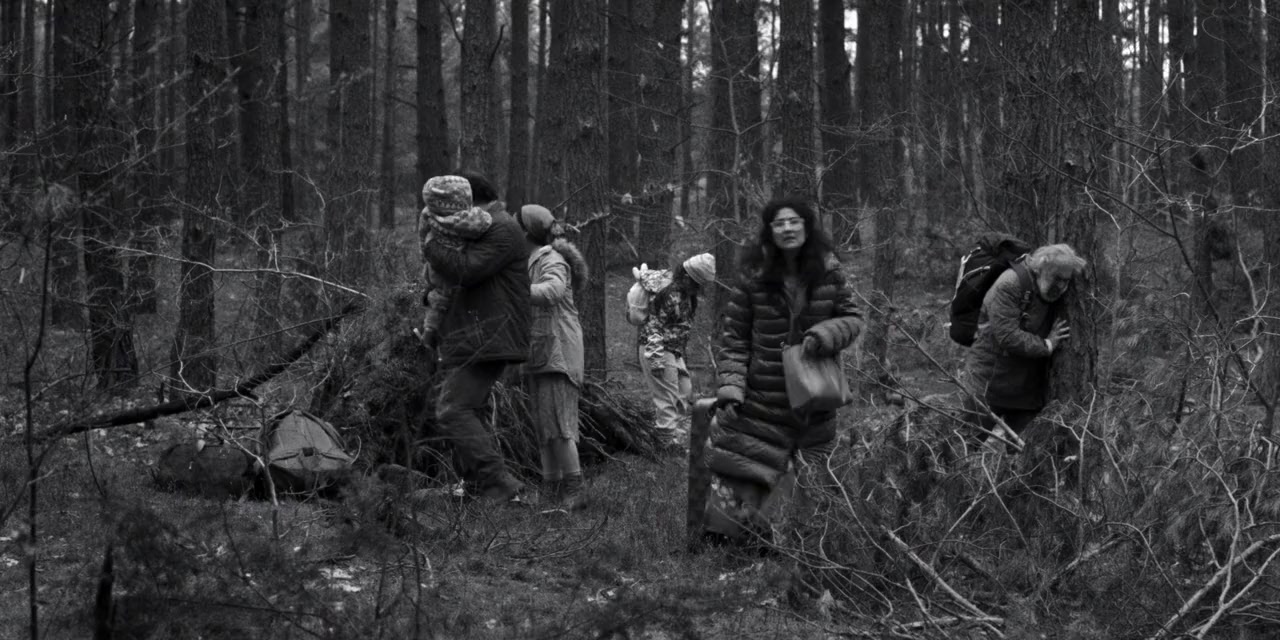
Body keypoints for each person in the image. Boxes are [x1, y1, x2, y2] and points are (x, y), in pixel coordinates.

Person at [704, 197, 862, 547]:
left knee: (811, 472)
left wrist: (826, 334)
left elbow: (852, 318)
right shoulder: (753, 276)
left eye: (794, 221)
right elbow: (735, 338)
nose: (787, 228)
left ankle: (798, 542)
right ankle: (740, 538)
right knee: (748, 461)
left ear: (806, 226)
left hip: (814, 394)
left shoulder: (829, 270)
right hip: (764, 395)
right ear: (769, 231)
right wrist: (731, 385)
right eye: (779, 223)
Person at [421, 171, 531, 503]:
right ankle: (477, 487)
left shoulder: (501, 228)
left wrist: (430, 242)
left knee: (452, 409)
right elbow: (454, 279)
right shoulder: (482, 229)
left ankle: (498, 484)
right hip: (476, 334)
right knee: (470, 409)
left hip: (489, 335)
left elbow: (465, 270)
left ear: (473, 201)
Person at [959, 243, 1086, 446]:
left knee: (1026, 453)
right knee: (965, 445)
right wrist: (1047, 344)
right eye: (1057, 278)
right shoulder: (1010, 283)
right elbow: (1007, 335)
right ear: (1041, 268)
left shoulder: (1051, 291)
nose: (1062, 287)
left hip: (1026, 391)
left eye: (1066, 281)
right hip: (988, 383)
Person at [517, 204, 589, 511]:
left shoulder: (551, 259)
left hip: (558, 352)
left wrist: (516, 289)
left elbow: (553, 291)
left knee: (559, 425)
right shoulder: (530, 260)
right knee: (544, 428)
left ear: (526, 232)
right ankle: (552, 490)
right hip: (541, 352)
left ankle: (575, 490)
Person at [635, 252, 716, 446]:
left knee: (684, 391)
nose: (698, 289)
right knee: (667, 398)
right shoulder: (670, 294)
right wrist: (656, 359)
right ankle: (665, 445)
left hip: (673, 350)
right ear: (687, 277)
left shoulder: (686, 295)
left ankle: (670, 435)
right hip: (658, 349)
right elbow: (653, 325)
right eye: (697, 284)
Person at [417, 175, 492, 347]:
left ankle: (429, 333)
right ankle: (430, 334)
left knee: (437, 297)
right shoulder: (472, 219)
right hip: (460, 262)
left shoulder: (428, 214)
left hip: (435, 266)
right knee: (443, 298)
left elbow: (422, 235)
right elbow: (484, 225)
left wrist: (423, 256)